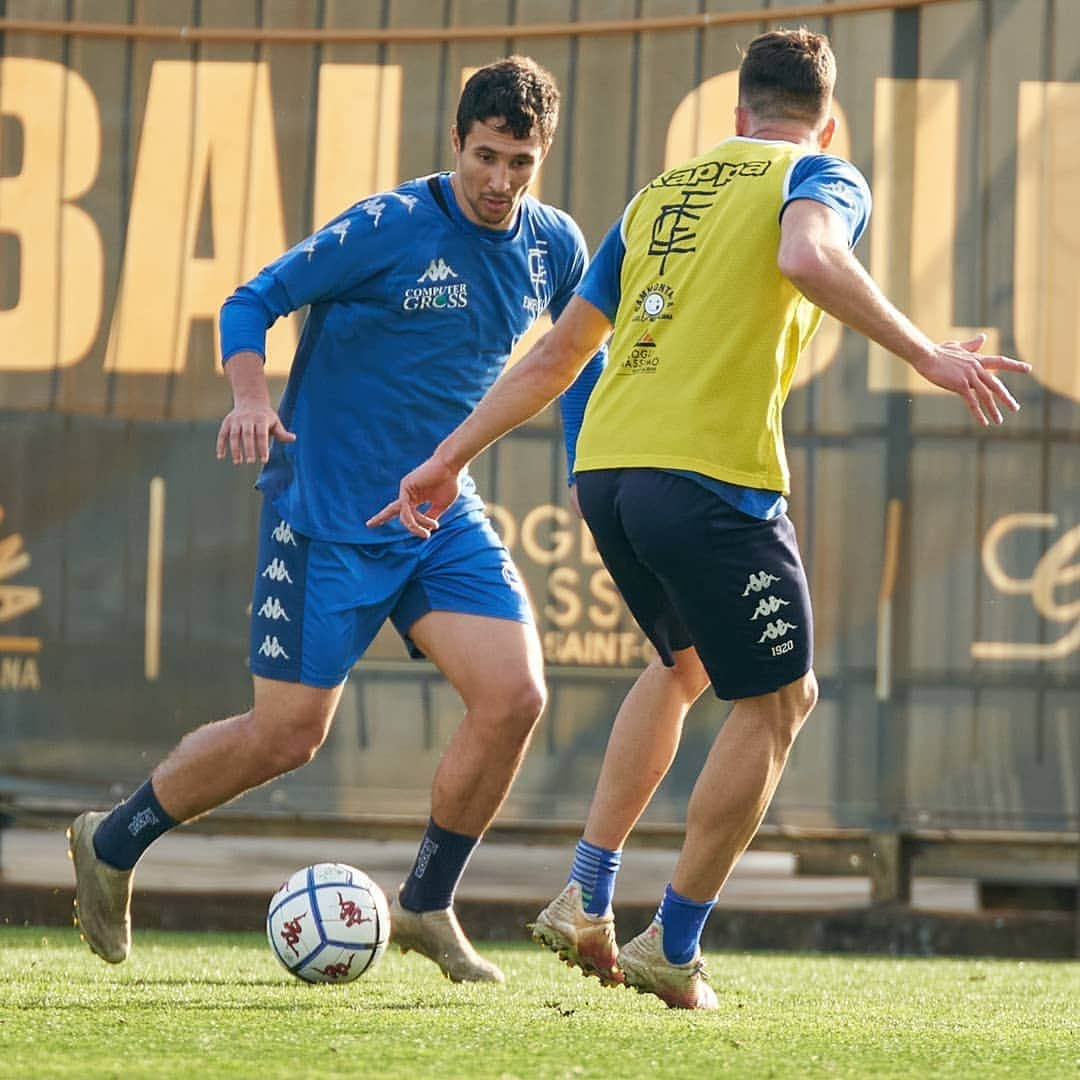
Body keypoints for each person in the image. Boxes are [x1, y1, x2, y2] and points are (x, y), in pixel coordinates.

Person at [368, 28, 1032, 1009]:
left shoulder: (658, 196)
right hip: (707, 475)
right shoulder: (822, 173)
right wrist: (927, 352)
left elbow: (558, 360)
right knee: (780, 702)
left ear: (735, 116)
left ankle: (586, 894)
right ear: (826, 119)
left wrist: (444, 459)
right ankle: (672, 947)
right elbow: (806, 255)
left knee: (683, 669)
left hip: (609, 472)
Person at [67, 55, 606, 984]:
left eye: (520, 161)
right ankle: (111, 843)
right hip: (324, 512)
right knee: (287, 735)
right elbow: (252, 300)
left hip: (437, 515)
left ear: (542, 155)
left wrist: (581, 464)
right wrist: (247, 397)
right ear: (456, 142)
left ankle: (428, 904)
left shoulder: (553, 242)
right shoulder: (390, 226)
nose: (500, 181)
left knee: (516, 695)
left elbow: (576, 356)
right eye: (485, 157)